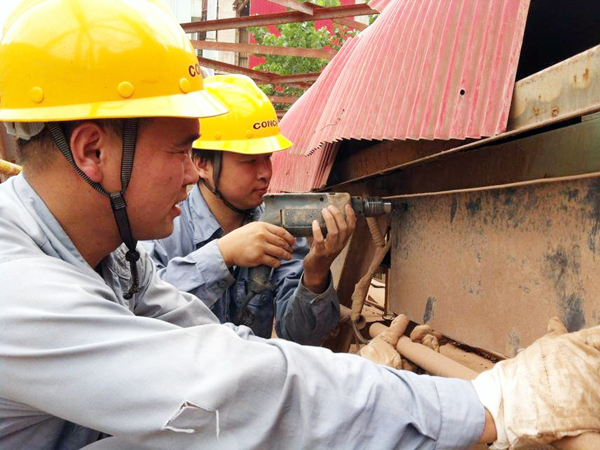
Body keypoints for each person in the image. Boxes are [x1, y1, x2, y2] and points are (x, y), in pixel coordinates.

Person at [1, 1, 599, 449]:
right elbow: (222, 387)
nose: (189, 173)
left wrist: (316, 276)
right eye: (182, 151)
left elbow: (235, 349)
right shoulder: (20, 290)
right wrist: (482, 403)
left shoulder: (115, 255)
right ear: (92, 152)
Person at [143, 74, 349, 344]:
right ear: (202, 165)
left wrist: (315, 273)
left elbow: (299, 336)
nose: (265, 173)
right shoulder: (161, 225)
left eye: (268, 158)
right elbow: (142, 310)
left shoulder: (277, 224)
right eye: (249, 161)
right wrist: (221, 255)